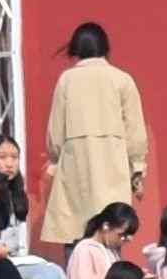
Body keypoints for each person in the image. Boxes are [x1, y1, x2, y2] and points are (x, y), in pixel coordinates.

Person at [43, 21, 152, 258]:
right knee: (112, 237)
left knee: (76, 240)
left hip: (75, 170)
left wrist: (57, 157)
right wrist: (137, 169)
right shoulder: (122, 79)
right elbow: (135, 132)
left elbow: (55, 135)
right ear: (105, 47)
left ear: (76, 48)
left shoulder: (66, 80)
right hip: (113, 169)